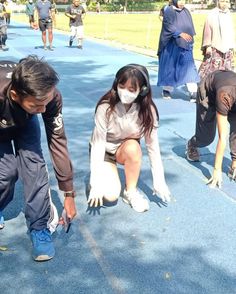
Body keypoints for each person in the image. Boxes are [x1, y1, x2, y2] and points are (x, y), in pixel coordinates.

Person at [0, 55, 77, 261]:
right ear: (15, 95)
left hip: (24, 122)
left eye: (46, 102)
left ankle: (39, 228)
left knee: (35, 168)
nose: (44, 110)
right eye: (37, 105)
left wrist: (68, 193)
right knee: (6, 173)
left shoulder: (50, 97)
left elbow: (58, 142)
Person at [88, 64, 171, 212]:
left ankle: (130, 191)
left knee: (133, 147)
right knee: (110, 196)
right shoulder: (105, 108)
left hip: (125, 149)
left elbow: (153, 148)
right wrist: (95, 183)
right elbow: (98, 145)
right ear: (116, 84)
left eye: (131, 89)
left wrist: (159, 181)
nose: (125, 92)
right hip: (104, 151)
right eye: (122, 85)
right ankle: (99, 176)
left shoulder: (148, 112)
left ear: (142, 90)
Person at [186, 70, 236, 188]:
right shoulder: (225, 96)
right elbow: (222, 138)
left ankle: (234, 164)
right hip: (209, 91)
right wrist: (216, 170)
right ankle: (192, 144)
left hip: (226, 87)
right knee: (206, 137)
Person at [157, 0, 199, 102]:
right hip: (171, 45)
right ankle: (167, 90)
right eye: (180, 0)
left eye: (184, 0)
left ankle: (193, 92)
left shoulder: (186, 11)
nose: (182, 3)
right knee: (170, 68)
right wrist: (179, 33)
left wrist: (189, 40)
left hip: (185, 45)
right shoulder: (169, 10)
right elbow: (167, 25)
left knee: (189, 68)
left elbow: (189, 27)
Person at [198, 0, 235, 80]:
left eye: (226, 1)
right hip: (215, 47)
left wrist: (232, 47)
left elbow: (231, 31)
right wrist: (208, 46)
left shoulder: (228, 14)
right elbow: (207, 31)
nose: (224, 3)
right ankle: (205, 88)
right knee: (210, 71)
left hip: (227, 48)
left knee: (227, 73)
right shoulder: (212, 14)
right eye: (222, 1)